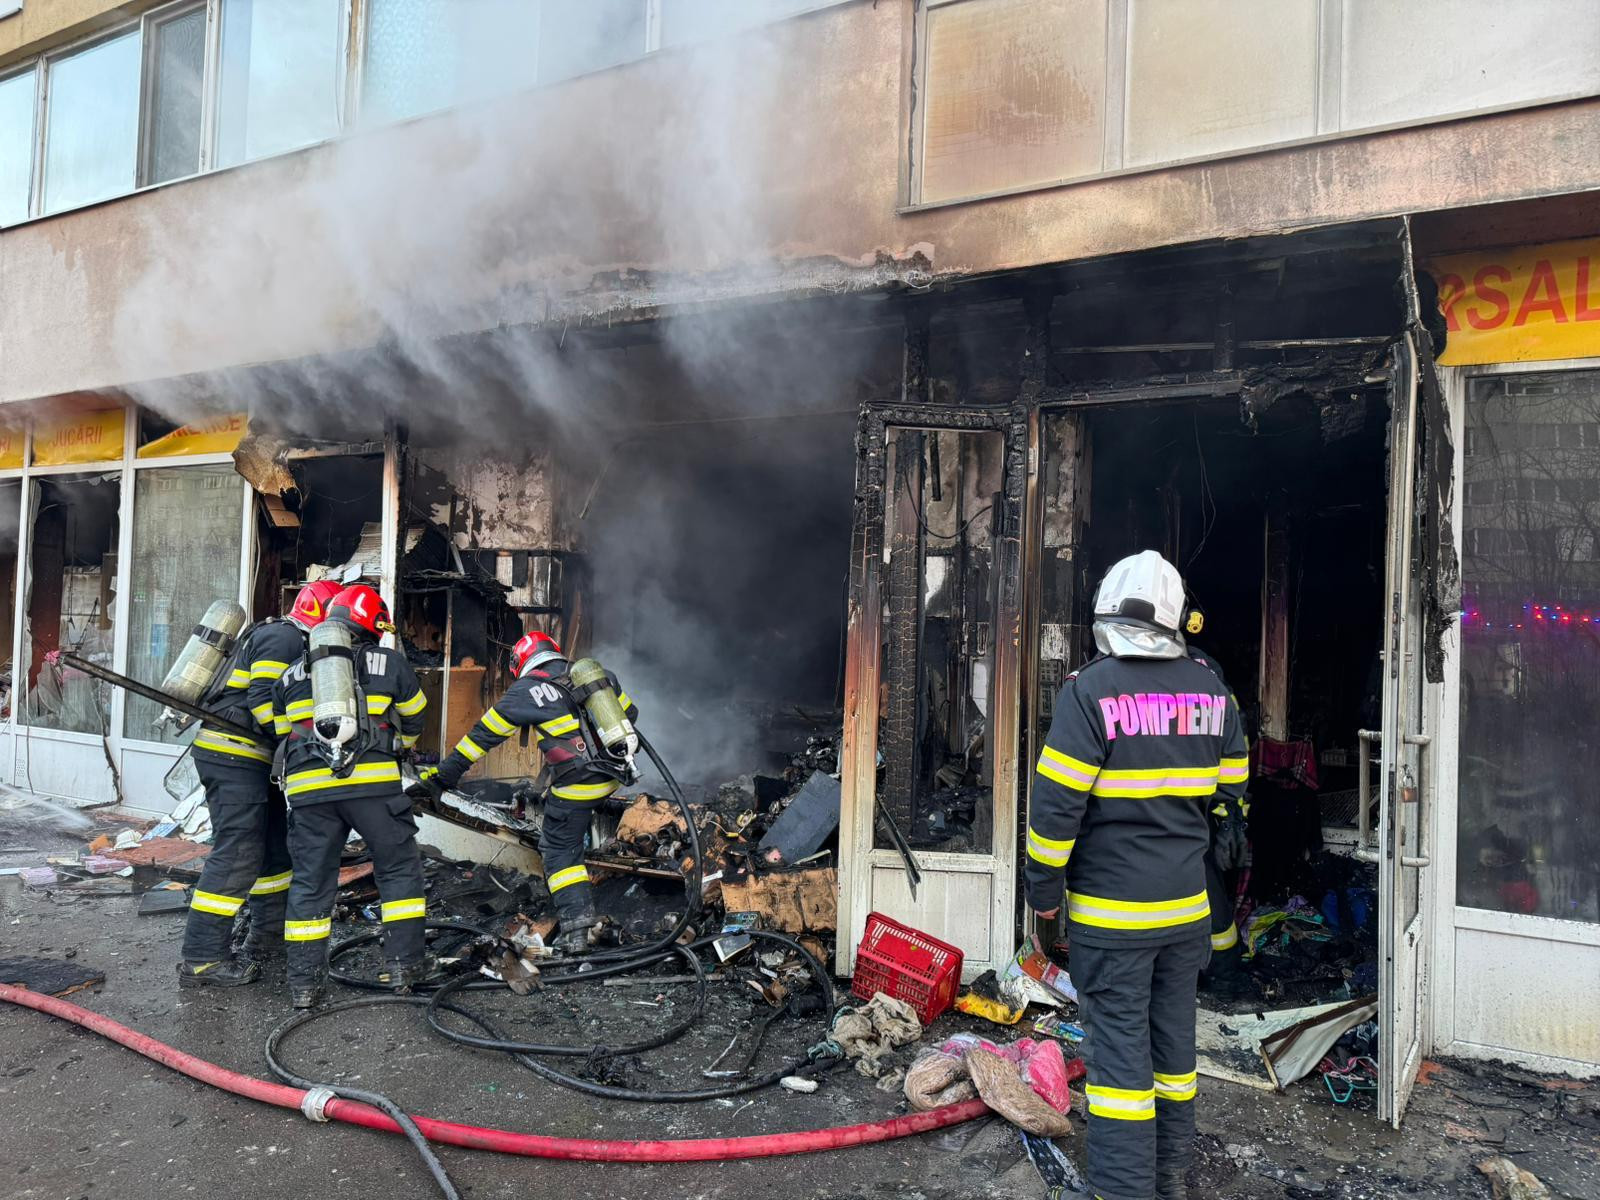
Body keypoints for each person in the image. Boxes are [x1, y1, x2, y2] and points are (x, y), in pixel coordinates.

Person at [1025, 551, 1249, 1200]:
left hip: (1113, 921)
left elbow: (1054, 812)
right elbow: (1232, 792)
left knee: (1120, 1064)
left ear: (1106, 612)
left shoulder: (1088, 692)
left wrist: (1044, 895)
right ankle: (1170, 1179)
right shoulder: (1213, 691)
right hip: (1186, 917)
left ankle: (1122, 1191)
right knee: (1174, 1055)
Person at [409, 631, 637, 953]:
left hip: (580, 783)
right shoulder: (599, 676)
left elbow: (481, 738)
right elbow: (631, 715)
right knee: (569, 822)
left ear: (520, 663)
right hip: (615, 774)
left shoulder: (526, 691)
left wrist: (442, 779)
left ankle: (577, 929)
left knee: (558, 849)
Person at [177, 579, 342, 989]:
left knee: (273, 850)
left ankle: (267, 936)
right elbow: (262, 699)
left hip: (254, 758)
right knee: (239, 852)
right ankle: (202, 958)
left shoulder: (293, 640)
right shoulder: (283, 638)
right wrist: (296, 743)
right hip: (234, 754)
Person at [271, 584, 430, 1008]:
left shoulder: (291, 673)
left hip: (308, 794)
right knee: (398, 871)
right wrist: (400, 745)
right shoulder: (389, 662)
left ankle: (304, 985)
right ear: (372, 625)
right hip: (373, 789)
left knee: (310, 883)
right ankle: (404, 968)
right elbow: (416, 715)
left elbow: (283, 731)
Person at [1181, 602, 1250, 993]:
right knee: (1208, 888)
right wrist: (1231, 815)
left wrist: (1229, 817)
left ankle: (1219, 971)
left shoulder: (1193, 672)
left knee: (1206, 889)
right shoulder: (1207, 673)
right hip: (1207, 807)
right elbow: (1236, 755)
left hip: (1197, 809)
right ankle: (1220, 971)